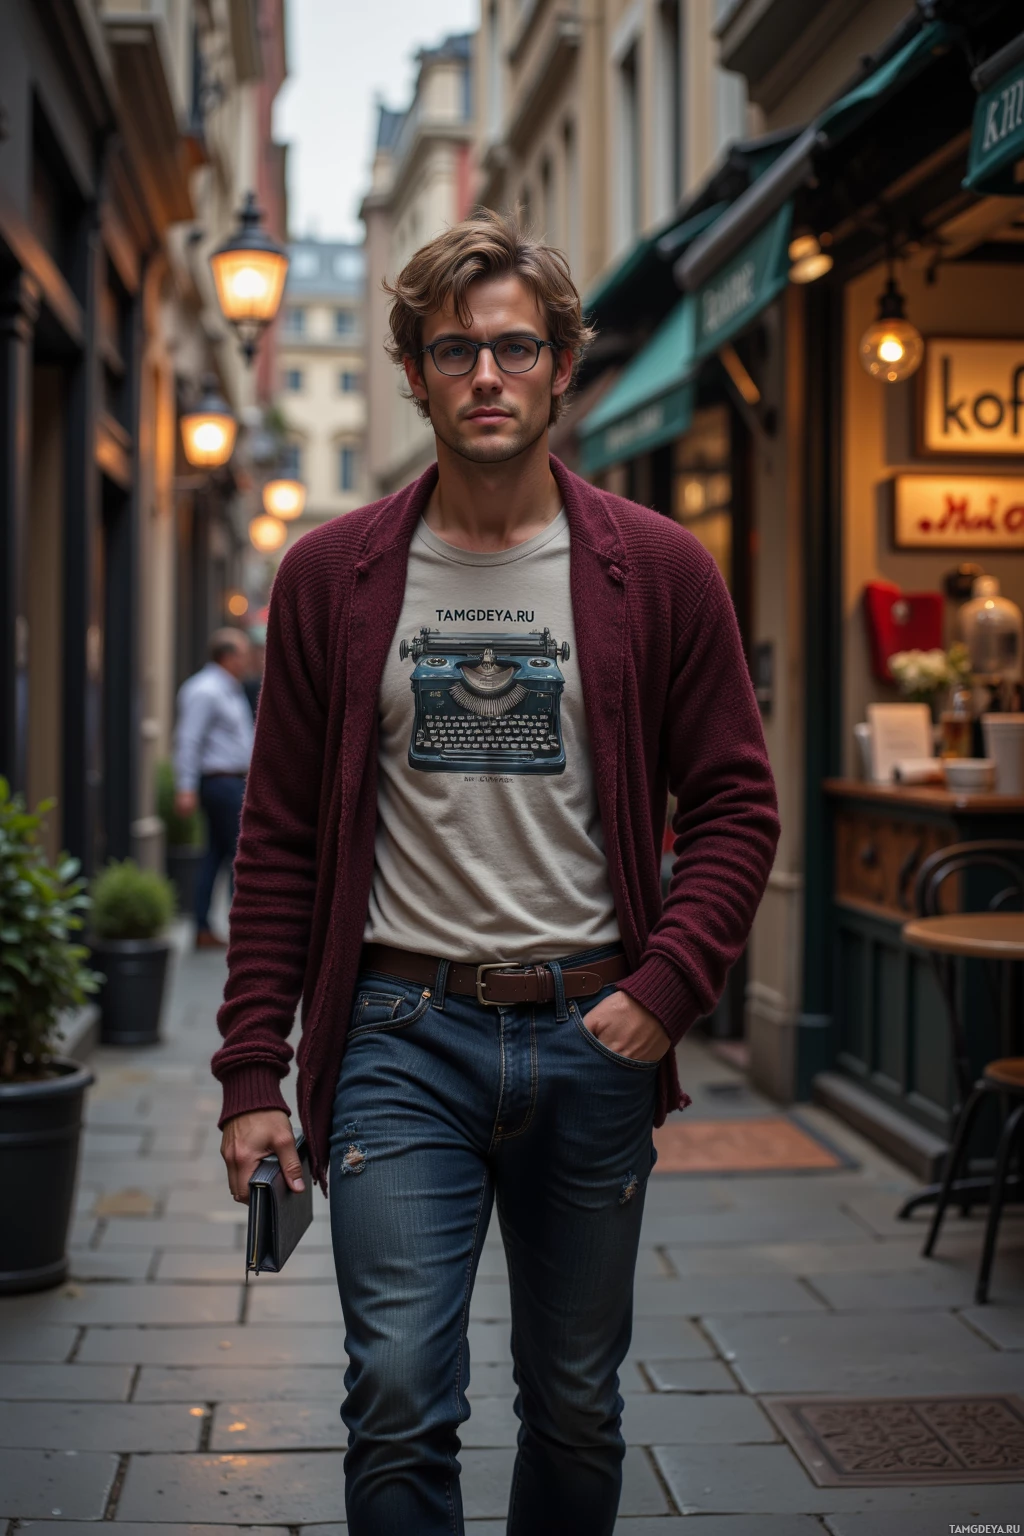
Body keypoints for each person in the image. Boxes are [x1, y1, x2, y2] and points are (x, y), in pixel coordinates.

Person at [213, 210, 779, 1535]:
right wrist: (253, 1071)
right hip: (399, 1039)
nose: (487, 375)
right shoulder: (332, 578)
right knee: (400, 1393)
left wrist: (668, 987)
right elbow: (282, 838)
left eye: (515, 348)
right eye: (455, 349)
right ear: (411, 370)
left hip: (594, 1034)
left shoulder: (660, 570)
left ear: (563, 365)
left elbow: (738, 805)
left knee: (576, 1402)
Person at [173, 628, 254, 950]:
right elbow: (188, 740)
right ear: (228, 655)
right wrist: (185, 787)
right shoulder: (205, 690)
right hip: (220, 783)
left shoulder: (226, 689)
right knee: (239, 854)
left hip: (229, 781)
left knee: (215, 855)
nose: (247, 659)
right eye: (243, 653)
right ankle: (243, 929)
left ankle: (203, 926)